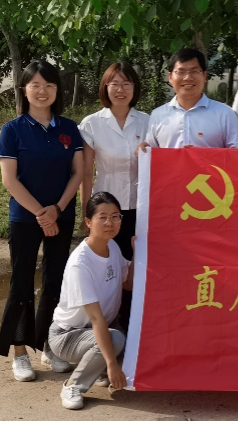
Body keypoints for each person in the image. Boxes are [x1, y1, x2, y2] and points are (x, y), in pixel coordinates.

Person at [0, 60, 84, 381]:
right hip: (24, 218)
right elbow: (10, 180)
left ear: (57, 90)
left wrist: (57, 209)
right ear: (24, 90)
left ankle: (49, 345)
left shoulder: (69, 128)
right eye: (35, 85)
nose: (42, 91)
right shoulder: (12, 130)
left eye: (49, 85)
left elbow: (78, 173)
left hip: (62, 215)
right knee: (21, 284)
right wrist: (41, 214)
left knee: (55, 282)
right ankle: (19, 352)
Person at [79, 62, 148, 330]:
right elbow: (86, 173)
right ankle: (106, 328)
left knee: (136, 269)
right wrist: (86, 213)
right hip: (106, 210)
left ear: (134, 88)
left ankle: (133, 328)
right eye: (114, 84)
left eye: (126, 84)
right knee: (107, 269)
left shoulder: (148, 121)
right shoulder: (92, 123)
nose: (120, 90)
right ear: (105, 88)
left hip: (140, 208)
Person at [48, 192, 133, 410]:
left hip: (104, 327)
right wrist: (112, 364)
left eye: (115, 216)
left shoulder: (112, 247)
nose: (109, 223)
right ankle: (73, 386)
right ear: (88, 222)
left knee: (131, 361)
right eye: (102, 217)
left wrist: (137, 253)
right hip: (68, 334)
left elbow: (128, 284)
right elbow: (95, 318)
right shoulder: (81, 263)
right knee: (115, 341)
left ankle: (100, 367)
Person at [142, 48, 238, 149]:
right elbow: (151, 154)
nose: (187, 77)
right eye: (180, 72)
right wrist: (143, 150)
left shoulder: (225, 114)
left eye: (194, 71)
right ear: (170, 77)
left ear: (204, 76)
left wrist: (201, 155)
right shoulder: (157, 115)